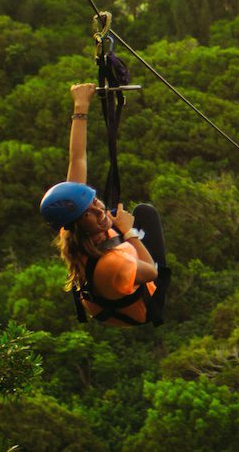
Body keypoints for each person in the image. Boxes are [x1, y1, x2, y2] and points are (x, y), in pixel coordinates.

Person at [39, 83, 171, 327]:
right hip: (140, 307)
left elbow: (77, 159)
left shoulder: (71, 226)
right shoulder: (113, 265)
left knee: (116, 216)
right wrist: (130, 233)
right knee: (145, 213)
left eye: (95, 202)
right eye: (89, 213)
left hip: (110, 291)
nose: (99, 210)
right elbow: (151, 272)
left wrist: (81, 106)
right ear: (78, 224)